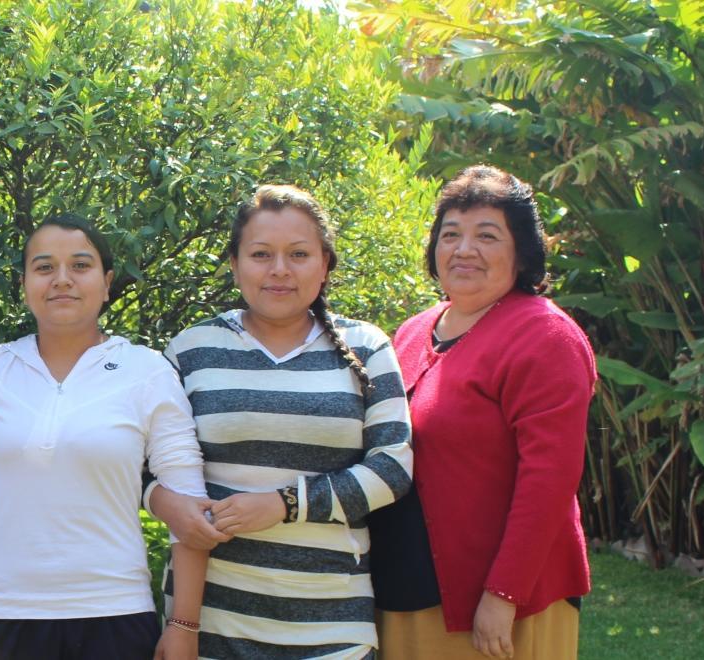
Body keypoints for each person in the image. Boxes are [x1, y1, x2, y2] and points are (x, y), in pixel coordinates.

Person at [0, 214, 213, 660]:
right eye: (44, 267)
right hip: (5, 616)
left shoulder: (147, 371)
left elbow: (190, 504)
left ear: (105, 283)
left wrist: (184, 624)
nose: (61, 279)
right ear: (25, 283)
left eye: (80, 266)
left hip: (117, 616)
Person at [155, 184, 414, 659]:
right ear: (234, 264)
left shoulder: (367, 346)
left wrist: (285, 504)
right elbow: (144, 467)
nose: (279, 270)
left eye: (298, 254)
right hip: (211, 622)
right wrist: (162, 501)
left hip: (333, 628)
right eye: (260, 254)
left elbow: (391, 468)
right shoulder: (191, 350)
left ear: (325, 264)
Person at [370, 165, 595, 659]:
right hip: (408, 587)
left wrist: (504, 593)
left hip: (499, 604)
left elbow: (550, 479)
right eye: (450, 234)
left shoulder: (544, 336)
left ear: (522, 251)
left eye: (486, 235)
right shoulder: (412, 331)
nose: (463, 249)